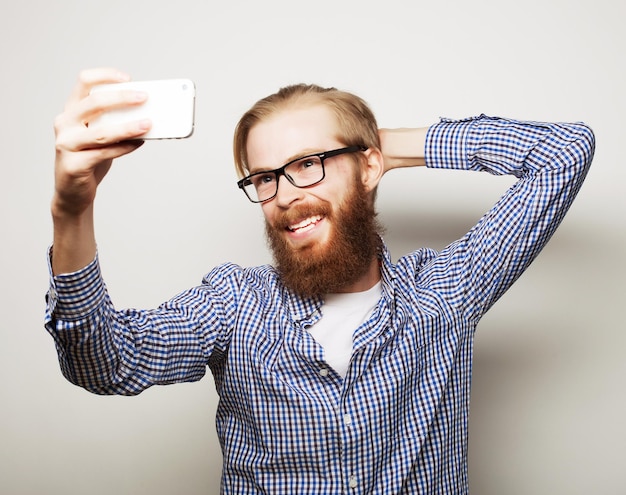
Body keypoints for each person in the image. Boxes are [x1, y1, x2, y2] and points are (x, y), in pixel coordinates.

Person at [45, 67, 595, 494]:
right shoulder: (235, 304)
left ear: (372, 167)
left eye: (308, 163)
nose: (285, 195)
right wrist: (73, 209)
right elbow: (104, 363)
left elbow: (562, 154)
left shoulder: (444, 293)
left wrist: (373, 146)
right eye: (265, 177)